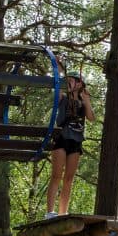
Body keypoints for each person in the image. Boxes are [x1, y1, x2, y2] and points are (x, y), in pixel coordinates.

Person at [45, 69, 95, 218]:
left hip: (76, 141)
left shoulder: (82, 101)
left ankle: (62, 212)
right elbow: (57, 88)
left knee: (69, 178)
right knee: (56, 175)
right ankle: (50, 212)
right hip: (61, 138)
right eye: (67, 81)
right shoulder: (63, 97)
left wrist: (86, 101)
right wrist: (60, 70)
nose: (68, 83)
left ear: (79, 84)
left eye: (72, 80)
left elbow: (92, 118)